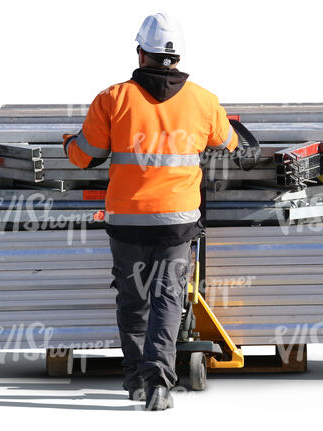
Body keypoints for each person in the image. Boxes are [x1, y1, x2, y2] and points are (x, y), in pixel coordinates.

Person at [63, 13, 238, 410]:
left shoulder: (113, 98)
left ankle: (135, 381)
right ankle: (159, 384)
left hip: (126, 222)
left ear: (141, 52)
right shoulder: (204, 101)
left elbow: (83, 157)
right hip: (176, 223)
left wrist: (67, 143)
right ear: (176, 58)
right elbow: (231, 143)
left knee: (132, 300)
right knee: (167, 299)